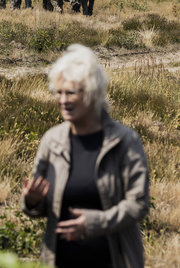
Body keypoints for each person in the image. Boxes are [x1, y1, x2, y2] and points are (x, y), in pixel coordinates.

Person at [21, 44, 149, 268]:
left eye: (70, 92)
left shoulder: (125, 141)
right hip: (60, 259)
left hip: (113, 259)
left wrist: (95, 223)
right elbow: (39, 207)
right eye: (58, 93)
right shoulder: (51, 141)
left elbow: (138, 203)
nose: (62, 100)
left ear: (91, 93)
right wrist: (32, 200)